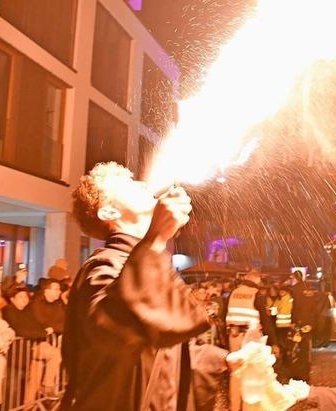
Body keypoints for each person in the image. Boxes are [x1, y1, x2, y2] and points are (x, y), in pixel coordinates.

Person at [62, 162, 226, 411]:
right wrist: (156, 237)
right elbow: (117, 329)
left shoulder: (145, 263)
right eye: (127, 183)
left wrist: (224, 359)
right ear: (108, 212)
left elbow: (163, 351)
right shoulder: (100, 266)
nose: (141, 184)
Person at [226, 269, 278, 411]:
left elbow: (225, 314)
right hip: (250, 339)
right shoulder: (256, 295)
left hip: (233, 336)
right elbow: (266, 321)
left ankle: (235, 406)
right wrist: (274, 343)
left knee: (235, 374)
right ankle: (249, 408)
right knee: (251, 375)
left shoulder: (233, 293)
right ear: (256, 280)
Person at [2, 287, 61, 402]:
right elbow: (20, 330)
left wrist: (41, 331)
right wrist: (43, 332)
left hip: (33, 348)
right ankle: (47, 384)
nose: (24, 299)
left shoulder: (28, 311)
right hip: (20, 352)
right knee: (55, 353)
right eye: (20, 297)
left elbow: (36, 326)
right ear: (12, 299)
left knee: (33, 382)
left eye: (25, 296)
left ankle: (29, 406)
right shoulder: (8, 311)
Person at [289, 271, 314, 382]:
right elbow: (313, 308)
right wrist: (311, 323)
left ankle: (296, 374)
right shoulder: (308, 289)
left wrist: (293, 321)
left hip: (297, 324)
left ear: (295, 278)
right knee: (305, 350)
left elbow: (294, 307)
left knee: (295, 349)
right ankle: (305, 374)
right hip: (307, 323)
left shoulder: (294, 290)